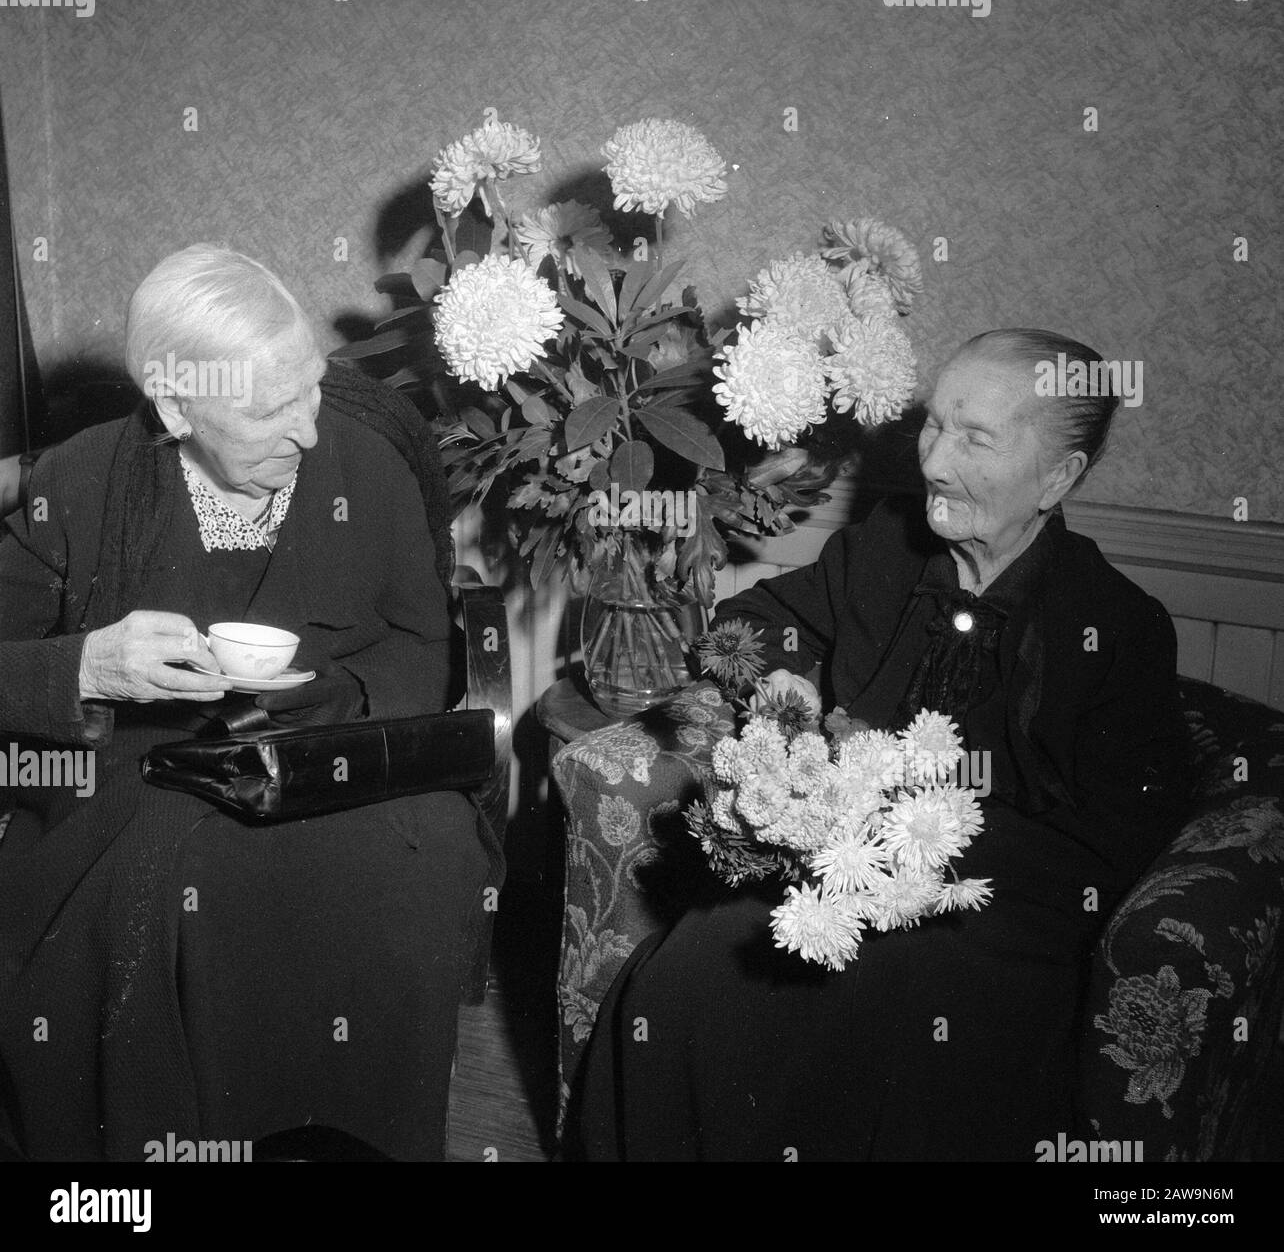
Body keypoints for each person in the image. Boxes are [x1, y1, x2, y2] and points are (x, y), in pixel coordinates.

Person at [574, 328, 1192, 1162]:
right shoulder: (884, 547)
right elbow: (757, 620)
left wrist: (919, 851)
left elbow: (1119, 837)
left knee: (872, 1014)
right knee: (687, 973)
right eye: (934, 425)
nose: (934, 462)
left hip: (988, 915)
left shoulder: (1117, 626)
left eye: (975, 439)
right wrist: (783, 680)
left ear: (1058, 476)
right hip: (833, 881)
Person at [0, 244, 500, 1161]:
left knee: (423, 858)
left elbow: (426, 643)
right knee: (194, 894)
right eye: (270, 409)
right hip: (137, 779)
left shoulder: (365, 467)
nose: (310, 430)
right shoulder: (78, 484)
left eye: (311, 386)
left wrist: (334, 698)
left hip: (336, 761)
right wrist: (85, 667)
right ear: (175, 403)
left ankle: (363, 1141)